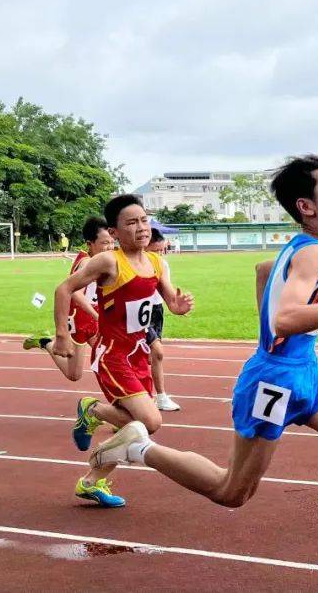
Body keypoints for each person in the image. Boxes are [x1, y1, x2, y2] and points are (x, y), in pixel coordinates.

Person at [87, 155, 318, 592]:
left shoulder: (309, 249)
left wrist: (273, 335)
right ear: (307, 207)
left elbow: (265, 273)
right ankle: (138, 449)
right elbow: (284, 317)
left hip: (307, 374)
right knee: (231, 491)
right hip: (272, 382)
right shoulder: (314, 251)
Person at [51, 194, 195, 507]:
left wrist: (179, 307)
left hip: (138, 355)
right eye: (132, 223)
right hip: (113, 354)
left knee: (133, 426)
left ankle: (91, 482)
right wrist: (62, 334)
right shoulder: (108, 261)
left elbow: (170, 300)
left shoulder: (157, 262)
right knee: (150, 421)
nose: (142, 228)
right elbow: (64, 289)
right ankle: (92, 410)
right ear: (115, 233)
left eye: (144, 220)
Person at [24, 217, 114, 381]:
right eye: (105, 243)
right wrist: (96, 315)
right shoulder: (87, 262)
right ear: (90, 244)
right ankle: (45, 342)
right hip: (79, 322)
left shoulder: (102, 261)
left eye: (112, 242)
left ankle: (122, 397)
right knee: (74, 374)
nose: (110, 247)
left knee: (110, 359)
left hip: (95, 321)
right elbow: (74, 292)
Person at [145, 227, 180, 412]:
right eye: (154, 251)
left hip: (156, 310)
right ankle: (157, 395)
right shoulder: (135, 263)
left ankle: (155, 396)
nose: (159, 255)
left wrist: (176, 302)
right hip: (139, 312)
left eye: (161, 251)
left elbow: (167, 289)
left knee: (152, 357)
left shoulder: (162, 264)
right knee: (157, 351)